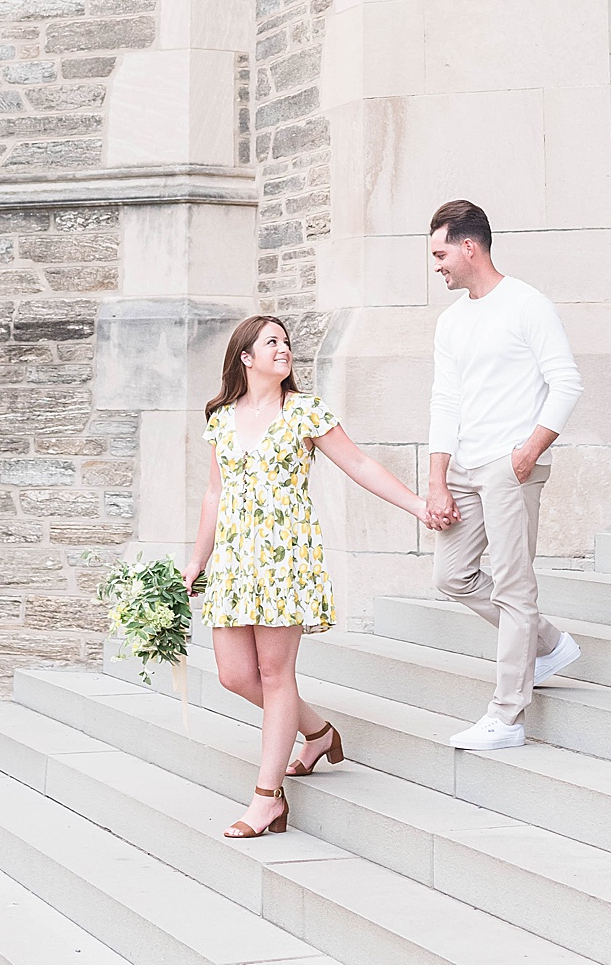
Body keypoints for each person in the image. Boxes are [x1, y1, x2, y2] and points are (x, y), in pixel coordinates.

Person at [185, 315, 449, 839]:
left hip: (286, 560)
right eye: (272, 343)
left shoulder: (305, 412)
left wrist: (419, 505)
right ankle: (319, 732)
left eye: (286, 342)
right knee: (235, 676)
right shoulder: (220, 417)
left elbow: (359, 465)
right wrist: (198, 559)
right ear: (246, 358)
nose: (284, 350)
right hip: (235, 564)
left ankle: (267, 801)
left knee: (277, 675)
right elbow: (216, 492)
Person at [425, 199, 586, 750]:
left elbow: (567, 383)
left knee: (515, 585)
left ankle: (507, 716)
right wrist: (437, 478)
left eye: (441, 253)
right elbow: (445, 400)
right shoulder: (451, 320)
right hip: (466, 467)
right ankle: (547, 643)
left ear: (469, 247)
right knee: (452, 575)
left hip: (510, 466)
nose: (438, 265)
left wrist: (526, 454)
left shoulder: (527, 305)